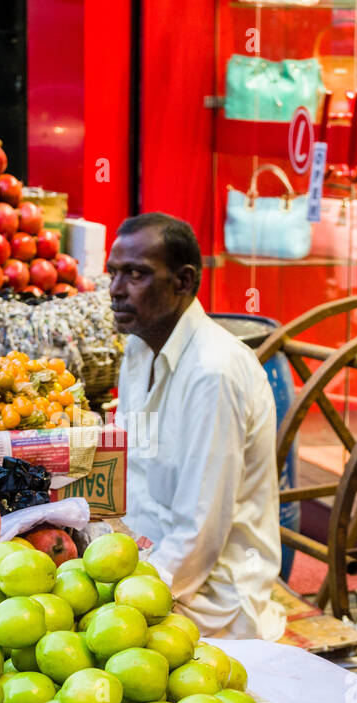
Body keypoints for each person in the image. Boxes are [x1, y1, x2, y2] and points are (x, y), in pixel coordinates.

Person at [108, 212, 284, 640]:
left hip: (211, 596)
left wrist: (128, 597)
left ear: (183, 282)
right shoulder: (137, 348)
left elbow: (200, 533)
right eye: (113, 273)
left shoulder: (213, 373)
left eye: (136, 275)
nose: (115, 290)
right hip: (145, 563)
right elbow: (134, 471)